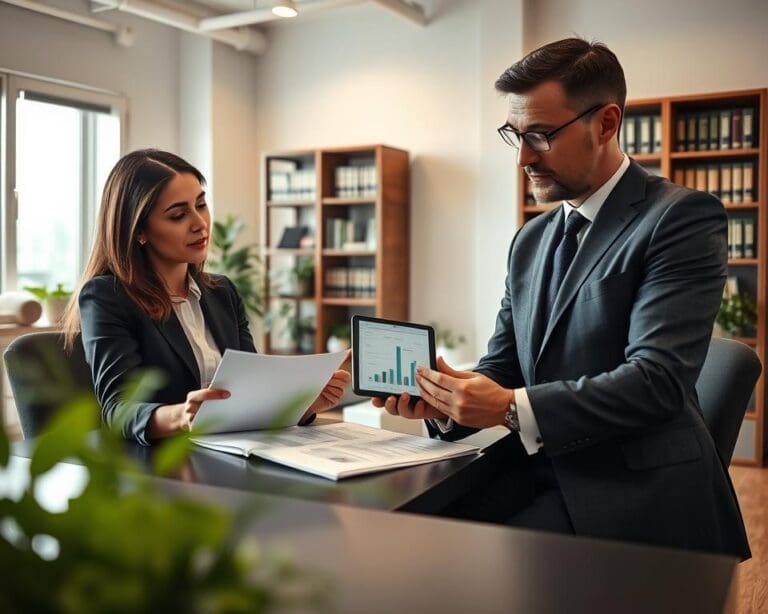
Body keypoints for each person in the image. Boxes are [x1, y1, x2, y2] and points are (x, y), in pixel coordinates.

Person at [375, 38, 750, 559]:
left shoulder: (680, 219)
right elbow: (505, 367)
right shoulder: (531, 240)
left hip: (631, 488)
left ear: (606, 123)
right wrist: (445, 403)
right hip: (536, 467)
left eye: (540, 136)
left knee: (464, 562)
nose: (524, 157)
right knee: (401, 537)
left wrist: (508, 407)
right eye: (515, 135)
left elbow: (657, 382)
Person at [63, 149, 350, 445]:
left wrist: (301, 406)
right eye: (178, 215)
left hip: (232, 453)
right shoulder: (106, 297)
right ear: (138, 232)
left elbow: (250, 392)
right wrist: (182, 416)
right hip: (162, 468)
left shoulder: (221, 292)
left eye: (201, 205)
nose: (199, 223)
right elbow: (118, 412)